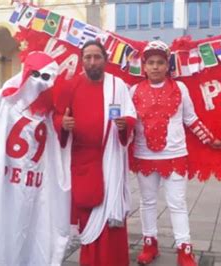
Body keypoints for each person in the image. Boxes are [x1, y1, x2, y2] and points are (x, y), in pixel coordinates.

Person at [0, 52, 71, 265]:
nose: (38, 82)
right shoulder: (5, 100)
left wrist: (63, 125)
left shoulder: (48, 113)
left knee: (31, 227)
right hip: (6, 181)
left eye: (45, 77)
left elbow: (60, 142)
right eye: (34, 74)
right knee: (4, 223)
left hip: (35, 182)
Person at [130, 40, 221, 266]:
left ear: (167, 66)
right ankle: (149, 244)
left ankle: (184, 249)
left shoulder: (180, 89)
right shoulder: (133, 91)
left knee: (177, 204)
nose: (155, 67)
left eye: (160, 63)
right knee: (147, 202)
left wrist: (209, 139)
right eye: (150, 63)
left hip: (175, 156)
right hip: (144, 156)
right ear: (144, 66)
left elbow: (190, 119)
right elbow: (129, 123)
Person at [53, 40, 137, 266]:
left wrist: (125, 124)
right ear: (82, 61)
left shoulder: (118, 85)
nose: (92, 62)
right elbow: (57, 115)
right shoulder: (72, 86)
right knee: (88, 215)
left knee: (112, 220)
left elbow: (131, 114)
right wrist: (63, 123)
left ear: (105, 60)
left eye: (96, 57)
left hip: (112, 161)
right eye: (87, 57)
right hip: (84, 162)